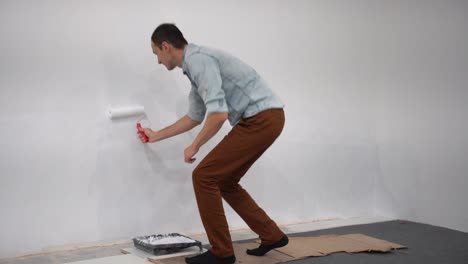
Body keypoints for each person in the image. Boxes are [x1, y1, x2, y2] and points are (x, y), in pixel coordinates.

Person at [139, 23, 289, 264]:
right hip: (264, 118)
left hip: (261, 119)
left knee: (203, 176)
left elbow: (218, 115)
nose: (157, 60)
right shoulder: (194, 67)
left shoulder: (199, 61)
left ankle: (222, 253)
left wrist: (194, 145)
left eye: (156, 53)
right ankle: (271, 235)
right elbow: (195, 117)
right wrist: (155, 135)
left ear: (166, 46)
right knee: (226, 182)